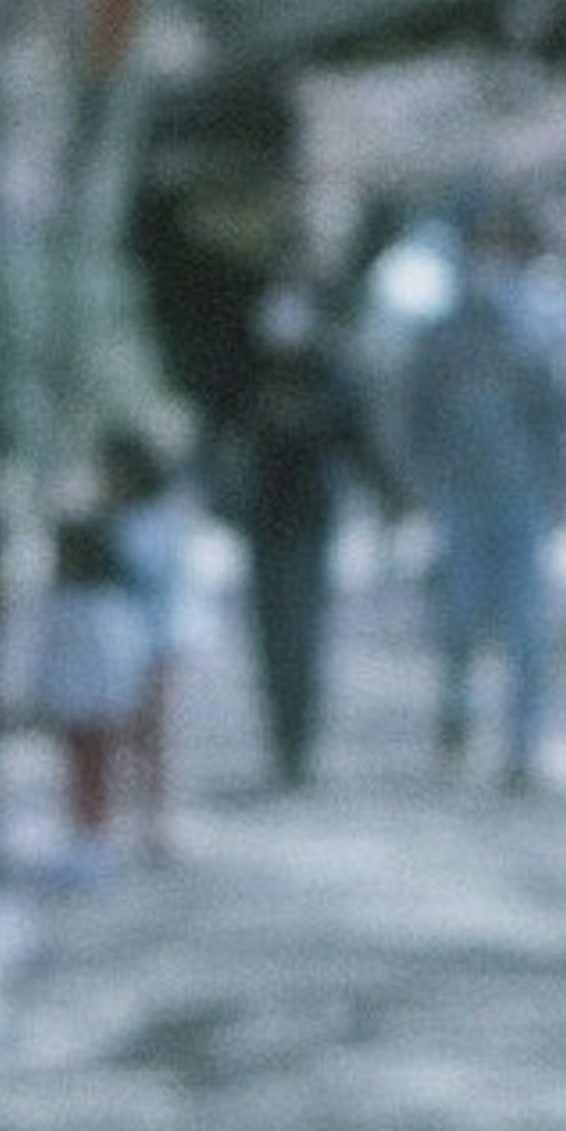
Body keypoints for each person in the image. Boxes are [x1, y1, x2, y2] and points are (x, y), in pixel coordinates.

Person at [400, 195, 566, 787]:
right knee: (457, 619)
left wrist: (565, 486)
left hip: (522, 496)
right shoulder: (443, 332)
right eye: (484, 246)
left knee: (529, 627)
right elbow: (415, 412)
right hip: (459, 494)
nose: (493, 260)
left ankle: (523, 748)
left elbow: (562, 414)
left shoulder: (540, 328)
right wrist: (415, 482)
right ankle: (456, 717)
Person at [225, 278, 392, 792]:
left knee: (302, 637)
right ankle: (281, 743)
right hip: (262, 523)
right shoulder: (246, 375)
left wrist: (391, 494)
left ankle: (298, 747)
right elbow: (223, 439)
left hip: (310, 525)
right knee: (272, 639)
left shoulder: (330, 378)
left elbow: (358, 441)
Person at [29, 491, 156, 874]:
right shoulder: (65, 600)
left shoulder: (106, 603)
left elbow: (123, 657)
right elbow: (47, 655)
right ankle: (84, 837)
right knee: (77, 774)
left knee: (96, 774)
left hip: (98, 705)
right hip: (77, 705)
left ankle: (98, 838)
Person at [95, 418, 193, 855]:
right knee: (123, 736)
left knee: (153, 736)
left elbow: (153, 575)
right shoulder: (110, 517)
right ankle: (124, 819)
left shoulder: (157, 518)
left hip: (154, 644)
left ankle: (158, 820)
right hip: (115, 646)